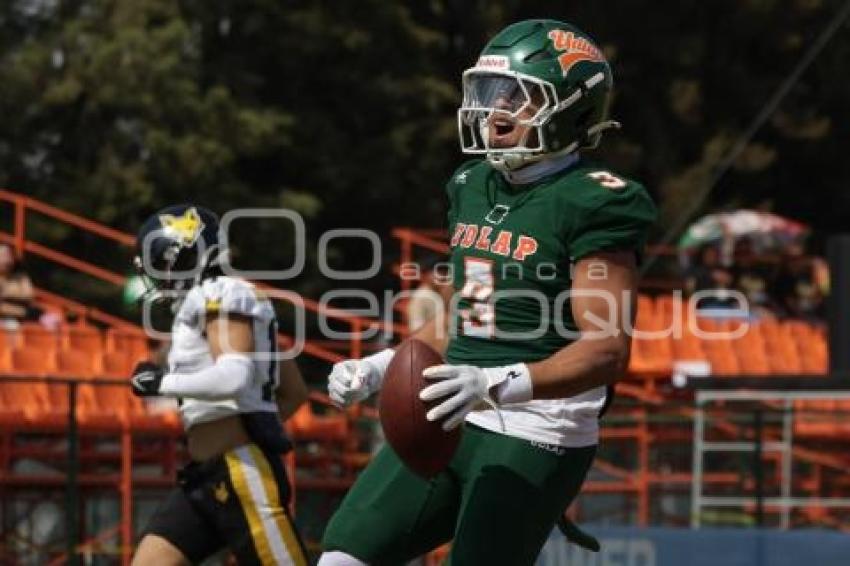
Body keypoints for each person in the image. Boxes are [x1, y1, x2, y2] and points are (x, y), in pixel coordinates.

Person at [320, 19, 656, 566]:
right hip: (454, 408)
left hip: (538, 427)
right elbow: (464, 311)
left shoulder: (594, 201)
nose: (495, 110)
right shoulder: (472, 185)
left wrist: (495, 383)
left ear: (570, 107)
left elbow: (606, 349)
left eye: (520, 97)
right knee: (343, 557)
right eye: (490, 92)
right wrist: (384, 364)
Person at [128, 204, 309, 566]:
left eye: (160, 260)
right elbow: (295, 391)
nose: (156, 273)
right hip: (205, 476)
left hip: (239, 472)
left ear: (182, 254)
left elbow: (234, 376)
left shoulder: (221, 293)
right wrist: (256, 421)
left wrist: (162, 382)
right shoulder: (230, 299)